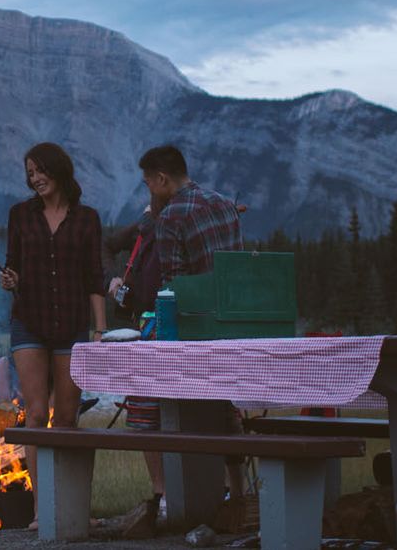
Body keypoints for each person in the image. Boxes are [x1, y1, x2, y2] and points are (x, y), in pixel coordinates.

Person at [108, 144, 246, 523]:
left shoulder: (171, 216)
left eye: (147, 182)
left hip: (190, 331)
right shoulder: (223, 204)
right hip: (228, 329)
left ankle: (166, 499)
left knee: (143, 403)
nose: (147, 189)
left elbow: (172, 288)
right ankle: (237, 492)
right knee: (221, 408)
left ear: (162, 179)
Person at [0, 142, 107, 441]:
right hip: (29, 322)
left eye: (40, 170)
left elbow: (94, 277)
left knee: (66, 417)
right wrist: (10, 279)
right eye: (30, 173)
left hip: (72, 324)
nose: (35, 178)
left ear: (57, 169)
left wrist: (99, 331)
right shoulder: (20, 214)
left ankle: (63, 488)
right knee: (35, 415)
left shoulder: (87, 218)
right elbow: (13, 264)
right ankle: (40, 489)